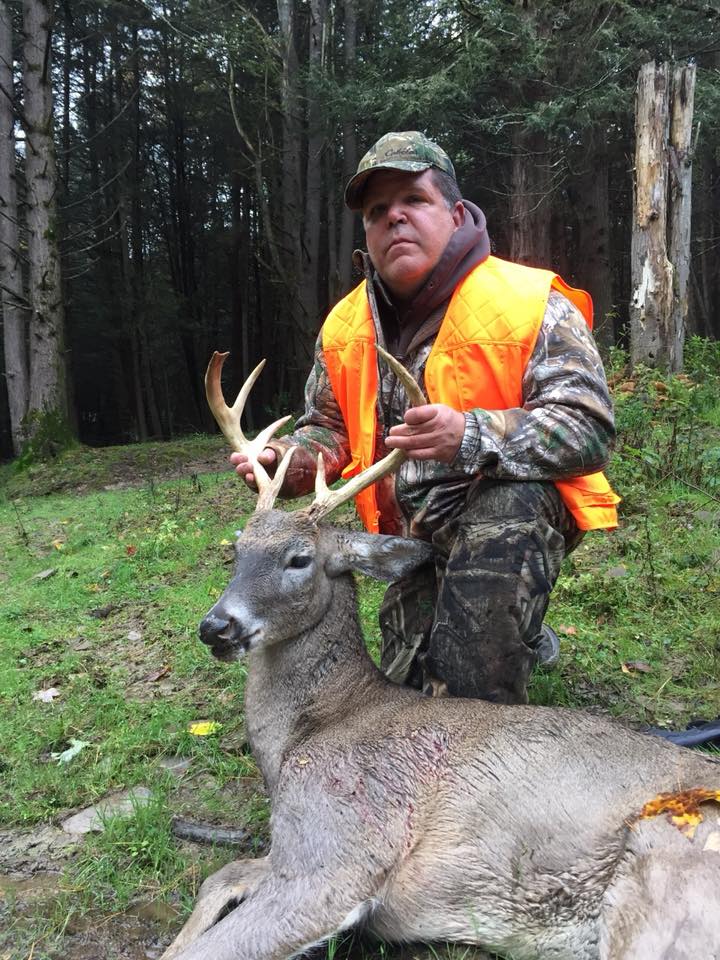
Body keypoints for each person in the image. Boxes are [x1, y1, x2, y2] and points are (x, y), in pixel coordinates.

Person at [231, 131, 619, 705]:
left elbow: (588, 430)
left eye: (414, 200)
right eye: (377, 211)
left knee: (464, 694)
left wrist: (471, 435)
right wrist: (286, 460)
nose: (395, 219)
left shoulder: (528, 301)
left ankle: (500, 638)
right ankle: (517, 633)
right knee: (408, 688)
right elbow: (328, 428)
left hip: (507, 514)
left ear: (456, 213)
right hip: (409, 536)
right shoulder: (344, 327)